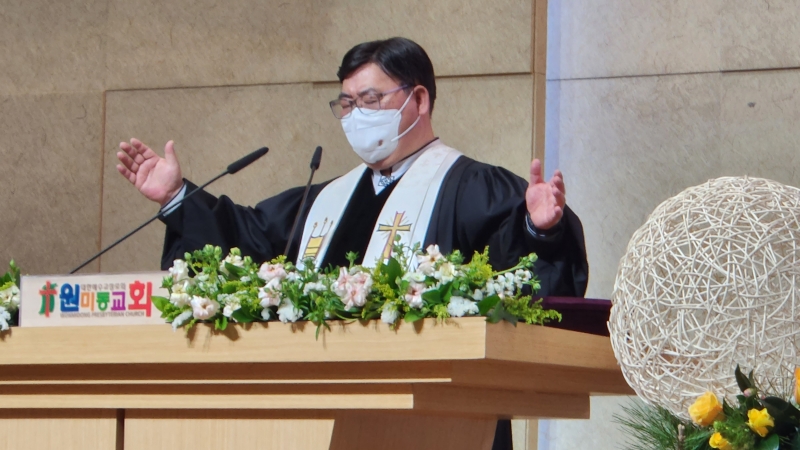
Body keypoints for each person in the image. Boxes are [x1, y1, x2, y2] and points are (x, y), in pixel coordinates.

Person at [117, 37, 588, 449]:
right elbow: (248, 241)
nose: (355, 115)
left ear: (418, 99)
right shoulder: (326, 199)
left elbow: (518, 282)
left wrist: (539, 229)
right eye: (346, 104)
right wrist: (178, 198)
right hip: (322, 416)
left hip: (440, 420)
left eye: (370, 99)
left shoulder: (471, 188)